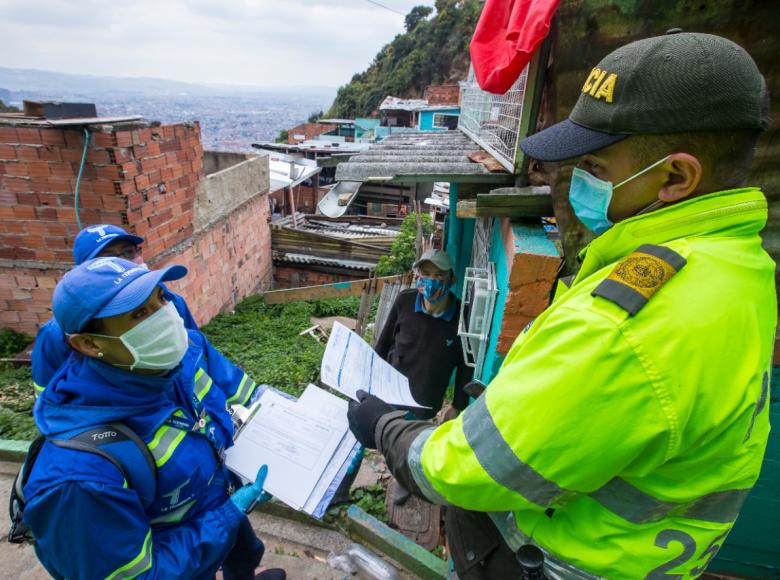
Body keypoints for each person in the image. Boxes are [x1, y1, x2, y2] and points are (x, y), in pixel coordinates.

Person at [347, 31, 775, 579]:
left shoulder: (622, 331)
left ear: (675, 176)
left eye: (596, 168)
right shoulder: (738, 263)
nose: (576, 183)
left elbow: (473, 467)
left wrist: (386, 430)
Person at [23, 257, 284, 579]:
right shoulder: (81, 478)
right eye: (139, 313)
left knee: (245, 553)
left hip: (213, 504)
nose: (166, 316)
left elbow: (244, 395)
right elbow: (139, 574)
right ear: (89, 344)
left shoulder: (185, 355)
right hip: (181, 556)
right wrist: (226, 516)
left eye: (160, 298)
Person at [32, 224, 198, 396]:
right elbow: (47, 391)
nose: (123, 263)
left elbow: (194, 350)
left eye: (129, 252)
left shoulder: (170, 301)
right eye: (107, 258)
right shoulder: (55, 335)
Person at [374, 249, 472, 421]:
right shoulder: (405, 301)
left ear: (452, 279)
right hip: (390, 394)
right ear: (418, 277)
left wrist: (457, 406)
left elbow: (466, 365)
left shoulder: (462, 316)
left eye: (439, 275)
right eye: (425, 274)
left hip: (424, 406)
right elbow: (383, 345)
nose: (431, 280)